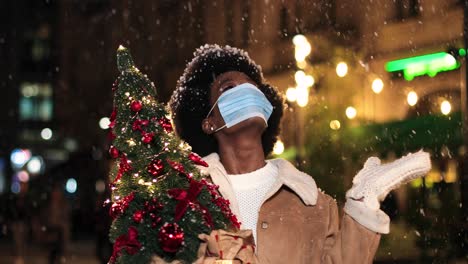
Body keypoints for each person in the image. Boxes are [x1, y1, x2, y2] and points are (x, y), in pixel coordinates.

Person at [168, 44, 431, 263]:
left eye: (252, 87)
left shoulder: (313, 203)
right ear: (209, 122)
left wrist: (364, 203)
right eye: (228, 88)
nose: (246, 92)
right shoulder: (185, 200)